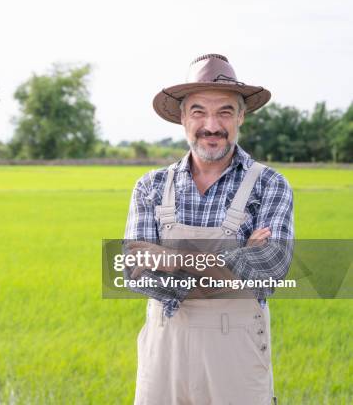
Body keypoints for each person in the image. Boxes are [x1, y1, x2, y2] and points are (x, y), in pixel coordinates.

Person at [124, 54, 294, 405]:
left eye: (225, 112)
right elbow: (134, 271)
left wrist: (166, 257)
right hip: (164, 353)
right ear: (183, 118)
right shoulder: (150, 186)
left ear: (241, 116)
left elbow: (268, 270)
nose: (212, 125)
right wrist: (236, 257)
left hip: (237, 354)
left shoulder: (270, 186)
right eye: (199, 111)